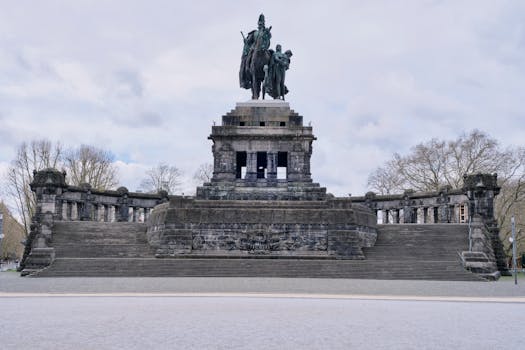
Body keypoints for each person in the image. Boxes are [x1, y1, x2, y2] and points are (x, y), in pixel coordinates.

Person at [239, 14, 272, 90]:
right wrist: (246, 41)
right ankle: (247, 68)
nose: (261, 24)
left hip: (264, 48)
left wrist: (267, 33)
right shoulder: (254, 33)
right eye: (259, 23)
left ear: (264, 23)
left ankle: (271, 75)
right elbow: (248, 42)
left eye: (262, 22)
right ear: (258, 23)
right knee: (248, 57)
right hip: (254, 49)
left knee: (271, 56)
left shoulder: (265, 31)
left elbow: (268, 39)